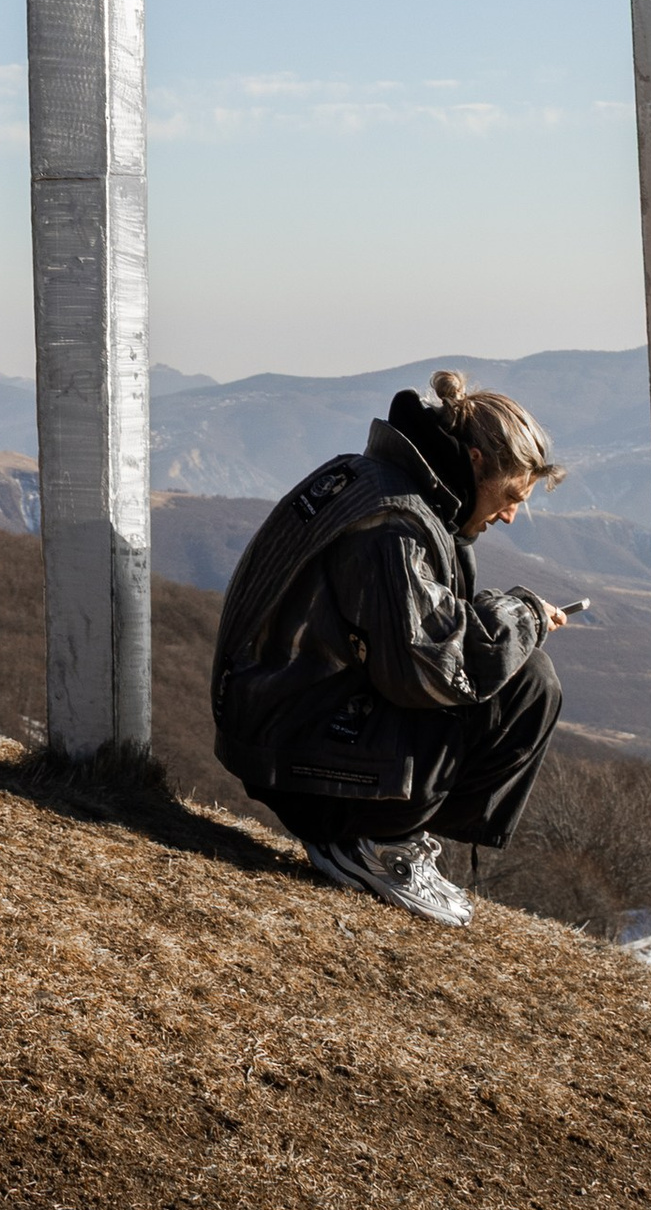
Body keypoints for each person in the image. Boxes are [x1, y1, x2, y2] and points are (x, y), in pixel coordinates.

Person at [208, 366, 568, 927]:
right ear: (474, 463)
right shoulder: (394, 522)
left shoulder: (376, 480)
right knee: (526, 684)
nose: (510, 514)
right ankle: (372, 841)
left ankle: (386, 831)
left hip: (278, 723)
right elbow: (431, 669)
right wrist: (522, 616)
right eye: (510, 495)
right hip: (294, 747)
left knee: (521, 672)